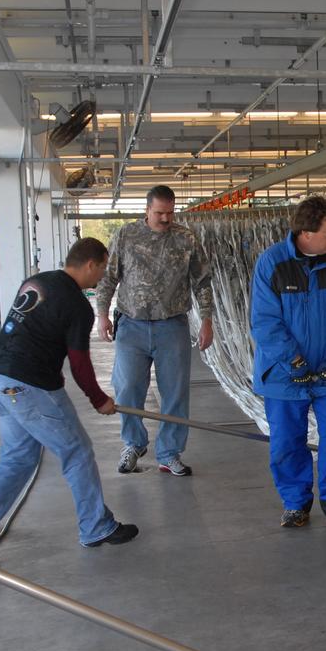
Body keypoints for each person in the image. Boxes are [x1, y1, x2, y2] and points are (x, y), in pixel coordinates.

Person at [0, 237, 137, 563]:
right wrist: (98, 399)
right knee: (76, 450)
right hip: (29, 386)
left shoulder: (38, 281)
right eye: (103, 268)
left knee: (19, 458)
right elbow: (79, 363)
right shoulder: (77, 305)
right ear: (91, 264)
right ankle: (96, 526)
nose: (102, 276)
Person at [250, 195, 326, 532]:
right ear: (307, 232)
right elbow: (264, 321)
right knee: (287, 442)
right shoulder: (272, 264)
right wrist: (294, 360)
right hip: (285, 375)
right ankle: (295, 504)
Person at [95, 185, 213, 477]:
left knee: (175, 391)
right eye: (159, 213)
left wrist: (208, 320)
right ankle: (133, 444)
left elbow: (202, 281)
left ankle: (170, 452)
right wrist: (102, 315)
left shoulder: (186, 238)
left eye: (170, 213)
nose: (165, 219)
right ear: (147, 210)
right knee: (128, 387)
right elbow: (108, 277)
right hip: (132, 325)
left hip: (172, 324)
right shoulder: (126, 235)